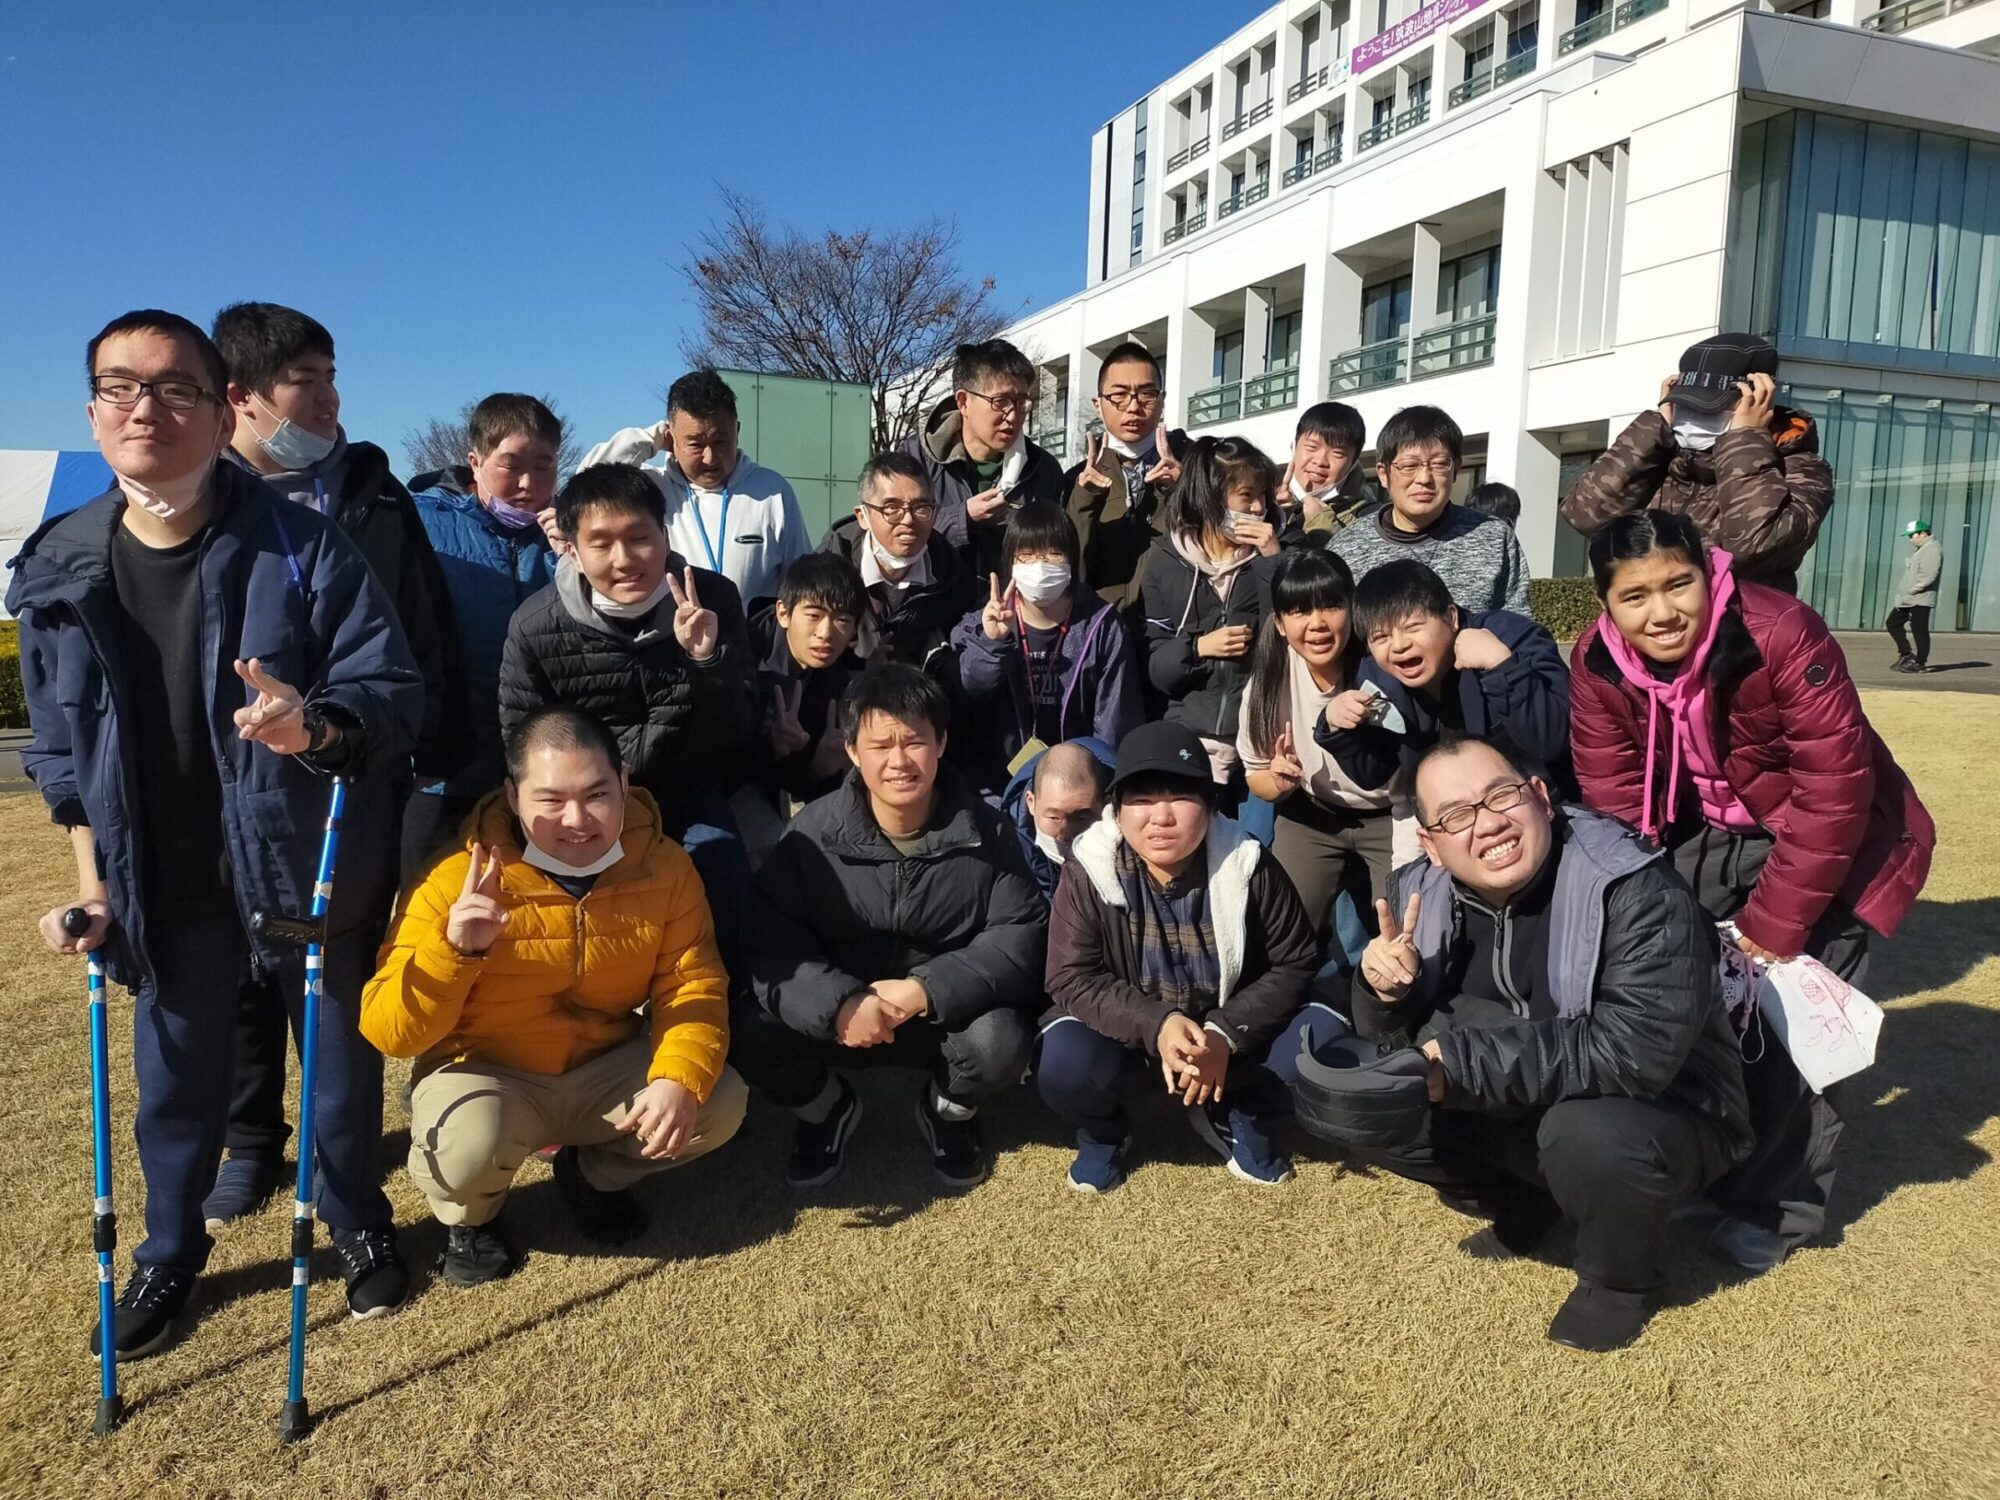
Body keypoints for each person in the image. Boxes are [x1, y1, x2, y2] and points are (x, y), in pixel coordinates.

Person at [13, 310, 424, 1354]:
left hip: (302, 860)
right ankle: (169, 1251)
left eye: (173, 388)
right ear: (93, 412)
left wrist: (312, 725)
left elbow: (388, 689)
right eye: (120, 387)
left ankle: (358, 1223)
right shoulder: (60, 564)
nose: (145, 408)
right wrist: (93, 884)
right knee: (173, 1086)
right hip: (161, 877)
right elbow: (59, 754)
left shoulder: (301, 544)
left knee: (338, 1075)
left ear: (216, 407)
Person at [1299, 736, 1752, 1352]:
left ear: (1540, 796)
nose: (1488, 824)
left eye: (1501, 796)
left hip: (1671, 1106)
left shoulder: (1635, 887)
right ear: (1429, 843)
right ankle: (1527, 1201)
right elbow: (1393, 1038)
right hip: (1527, 1090)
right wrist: (1383, 993)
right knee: (1373, 1099)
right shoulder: (1417, 893)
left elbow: (1637, 1052)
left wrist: (1457, 1067)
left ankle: (1620, 1283)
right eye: (1456, 815)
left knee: (1589, 1137)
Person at [1568, 509, 1935, 1270]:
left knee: (1797, 1030)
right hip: (1702, 831)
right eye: (1634, 596)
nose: (1662, 612)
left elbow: (1834, 792)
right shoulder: (1596, 661)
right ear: (1605, 603)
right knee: (1682, 1000)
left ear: (1710, 574)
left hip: (1821, 836)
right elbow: (1613, 794)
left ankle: (1778, 1207)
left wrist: (1775, 923)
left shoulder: (1782, 631)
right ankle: (1714, 1164)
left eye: (1678, 584)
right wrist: (1639, 905)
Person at [206, 301, 458, 1226]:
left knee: (337, 972)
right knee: (240, 971)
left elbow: (422, 627)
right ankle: (249, 1142)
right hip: (233, 778)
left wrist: (432, 750)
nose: (328, 399)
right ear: (241, 397)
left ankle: (340, 1167)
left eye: (331, 377)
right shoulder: (198, 498)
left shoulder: (374, 493)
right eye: (303, 382)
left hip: (358, 765)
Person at [360, 706, 747, 1284]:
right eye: (550, 800)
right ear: (513, 797)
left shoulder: (664, 866)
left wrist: (677, 1078)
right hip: (488, 1072)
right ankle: (472, 1220)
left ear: (624, 785)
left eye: (597, 795)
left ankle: (592, 1176)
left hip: (603, 1063)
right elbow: (389, 1032)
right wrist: (453, 949)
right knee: (465, 1148)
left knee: (719, 1101)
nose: (577, 820)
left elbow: (692, 983)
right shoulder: (452, 879)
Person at [736, 665, 1047, 1189]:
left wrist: (925, 989)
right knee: (749, 1026)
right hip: (841, 1019)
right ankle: (825, 1108)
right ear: (853, 751)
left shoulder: (989, 831)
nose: (899, 761)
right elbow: (773, 941)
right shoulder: (811, 835)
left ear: (941, 743)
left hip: (941, 1014)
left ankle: (949, 1111)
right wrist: (839, 1002)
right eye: (881, 745)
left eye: (914, 742)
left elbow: (1020, 934)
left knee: (1002, 1039)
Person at [1040, 721, 1329, 1193]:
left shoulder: (1248, 862)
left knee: (1322, 1040)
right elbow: (1070, 976)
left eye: (1180, 797)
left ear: (1210, 805)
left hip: (1230, 1040)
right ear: (1116, 809)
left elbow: (1294, 961)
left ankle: (1237, 1110)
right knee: (1063, 1060)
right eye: (1141, 799)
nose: (1161, 816)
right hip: (1132, 1043)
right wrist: (1157, 1024)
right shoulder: (1087, 869)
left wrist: (1224, 1034)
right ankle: (1104, 1133)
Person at [499, 463, 757, 961]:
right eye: (601, 544)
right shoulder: (535, 626)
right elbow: (521, 743)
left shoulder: (713, 599)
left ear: (665, 535)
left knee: (726, 896)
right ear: (572, 551)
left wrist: (706, 660)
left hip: (690, 793)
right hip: (582, 805)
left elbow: (739, 730)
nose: (624, 560)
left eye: (640, 538)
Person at [404, 393, 561, 874]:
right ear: (475, 462)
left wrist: (574, 557)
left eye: (544, 466)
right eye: (511, 465)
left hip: (541, 768)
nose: (528, 483)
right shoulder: (418, 522)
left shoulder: (576, 531)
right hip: (441, 767)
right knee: (426, 895)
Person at [1559, 333, 1834, 592]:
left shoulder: (1801, 470)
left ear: (1761, 399)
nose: (1693, 417)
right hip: (1648, 621)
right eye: (1686, 405)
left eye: (1712, 407)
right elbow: (1585, 517)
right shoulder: (1661, 455)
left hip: (1738, 624)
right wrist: (1654, 428)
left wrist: (1746, 438)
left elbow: (1754, 547)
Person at [1236, 549, 1394, 951]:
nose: (1317, 623)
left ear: (1353, 608)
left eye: (1331, 606)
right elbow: (1256, 774)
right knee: (1278, 933)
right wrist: (1277, 782)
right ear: (1279, 623)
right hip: (1312, 814)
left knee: (1402, 931)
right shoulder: (1269, 680)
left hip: (1394, 814)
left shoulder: (1381, 662)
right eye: (1299, 611)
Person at [1316, 558, 1570, 800]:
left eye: (1412, 627)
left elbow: (1550, 741)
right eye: (1381, 637)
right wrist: (1337, 725)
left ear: (1451, 617)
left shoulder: (1511, 638)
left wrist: (1503, 668)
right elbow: (1372, 773)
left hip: (1537, 807)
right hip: (1449, 818)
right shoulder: (1376, 676)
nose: (1399, 645)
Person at [948, 502, 1144, 793]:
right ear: (1010, 562)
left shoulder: (1103, 626)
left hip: (1078, 785)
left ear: (1072, 559)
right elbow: (965, 696)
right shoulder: (982, 620)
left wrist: (1102, 789)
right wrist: (992, 643)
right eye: (1026, 555)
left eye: (1053, 554)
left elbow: (1115, 723)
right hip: (998, 785)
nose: (1040, 567)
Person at [579, 368, 810, 608]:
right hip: (673, 630)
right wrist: (651, 438)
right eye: (695, 445)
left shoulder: (771, 490)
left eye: (720, 442)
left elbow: (802, 580)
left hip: (751, 632)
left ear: (737, 432)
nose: (710, 458)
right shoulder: (652, 487)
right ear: (672, 439)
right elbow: (587, 481)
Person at [1139, 435, 1286, 796]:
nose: (1258, 508)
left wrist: (1272, 561)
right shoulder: (1164, 562)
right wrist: (1198, 648)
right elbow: (1157, 669)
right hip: (1189, 735)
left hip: (1260, 738)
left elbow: (1287, 636)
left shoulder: (1280, 553)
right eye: (1246, 496)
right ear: (1211, 497)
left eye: (1263, 496)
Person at [1329, 405, 1531, 614]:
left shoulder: (1494, 538)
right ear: (1383, 474)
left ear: (1456, 469)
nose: (1424, 478)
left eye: (1439, 464)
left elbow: (1521, 625)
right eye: (1409, 466)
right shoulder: (1346, 549)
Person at [902, 339, 1067, 578]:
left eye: (1021, 402)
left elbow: (1058, 550)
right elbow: (890, 535)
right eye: (1000, 402)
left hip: (1011, 600)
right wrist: (963, 517)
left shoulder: (1042, 468)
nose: (1013, 416)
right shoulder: (915, 459)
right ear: (963, 402)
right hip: (933, 599)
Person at [818, 452, 973, 670]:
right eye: (891, 508)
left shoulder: (951, 577)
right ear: (863, 516)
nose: (908, 520)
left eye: (921, 508)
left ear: (935, 513)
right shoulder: (825, 571)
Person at [1064, 341, 1186, 611]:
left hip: (1173, 627)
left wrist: (1184, 489)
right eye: (1119, 395)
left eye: (1146, 394)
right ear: (1098, 404)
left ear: (1162, 400)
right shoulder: (1076, 479)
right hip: (1100, 627)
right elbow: (1067, 566)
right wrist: (1085, 499)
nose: (1133, 407)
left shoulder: (1195, 466)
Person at [751, 550, 866, 812]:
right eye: (814, 615)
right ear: (783, 613)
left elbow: (799, 784)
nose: (825, 633)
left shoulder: (836, 686)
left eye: (842, 620)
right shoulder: (744, 654)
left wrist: (820, 767)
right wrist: (770, 747)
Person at [1001, 737, 1114, 900]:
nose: (1067, 833)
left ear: (1105, 805)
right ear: (1031, 802)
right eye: (1054, 817)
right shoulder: (1005, 847)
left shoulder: (1133, 836)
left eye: (1082, 818)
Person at [1284, 401, 1379, 539]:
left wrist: (1323, 527)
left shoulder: (1372, 519)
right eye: (1311, 447)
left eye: (1337, 453)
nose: (1320, 461)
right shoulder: (1268, 508)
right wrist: (1278, 515)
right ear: (1294, 447)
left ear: (1353, 463)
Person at [1887, 519, 1943, 674]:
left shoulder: (1932, 549)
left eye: (1912, 535)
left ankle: (1920, 662)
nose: (1910, 539)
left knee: (1919, 629)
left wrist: (1913, 589)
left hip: (1920, 599)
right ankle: (1906, 653)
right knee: (1893, 623)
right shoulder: (1921, 549)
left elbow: (1929, 575)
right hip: (1908, 599)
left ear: (1923, 534)